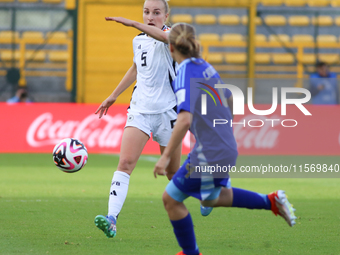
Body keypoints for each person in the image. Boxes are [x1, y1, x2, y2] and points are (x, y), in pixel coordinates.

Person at [153, 23, 297, 255]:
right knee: (211, 199)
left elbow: (184, 120)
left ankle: (191, 253)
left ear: (170, 48)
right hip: (224, 147)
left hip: (210, 151)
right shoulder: (206, 67)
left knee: (171, 198)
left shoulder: (184, 72)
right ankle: (271, 201)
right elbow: (229, 98)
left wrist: (165, 157)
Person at [93, 0, 182, 238]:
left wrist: (132, 23)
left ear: (166, 15)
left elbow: (164, 39)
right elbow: (135, 68)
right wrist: (113, 96)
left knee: (173, 174)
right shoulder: (138, 40)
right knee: (125, 164)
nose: (150, 16)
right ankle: (111, 219)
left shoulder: (172, 36)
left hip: (168, 114)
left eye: (156, 12)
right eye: (146, 12)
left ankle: (205, 190)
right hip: (140, 111)